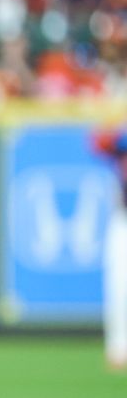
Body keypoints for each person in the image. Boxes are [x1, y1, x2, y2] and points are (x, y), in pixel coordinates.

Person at [93, 128, 127, 372]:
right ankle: (119, 348)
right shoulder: (120, 139)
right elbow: (98, 142)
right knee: (119, 285)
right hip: (123, 219)